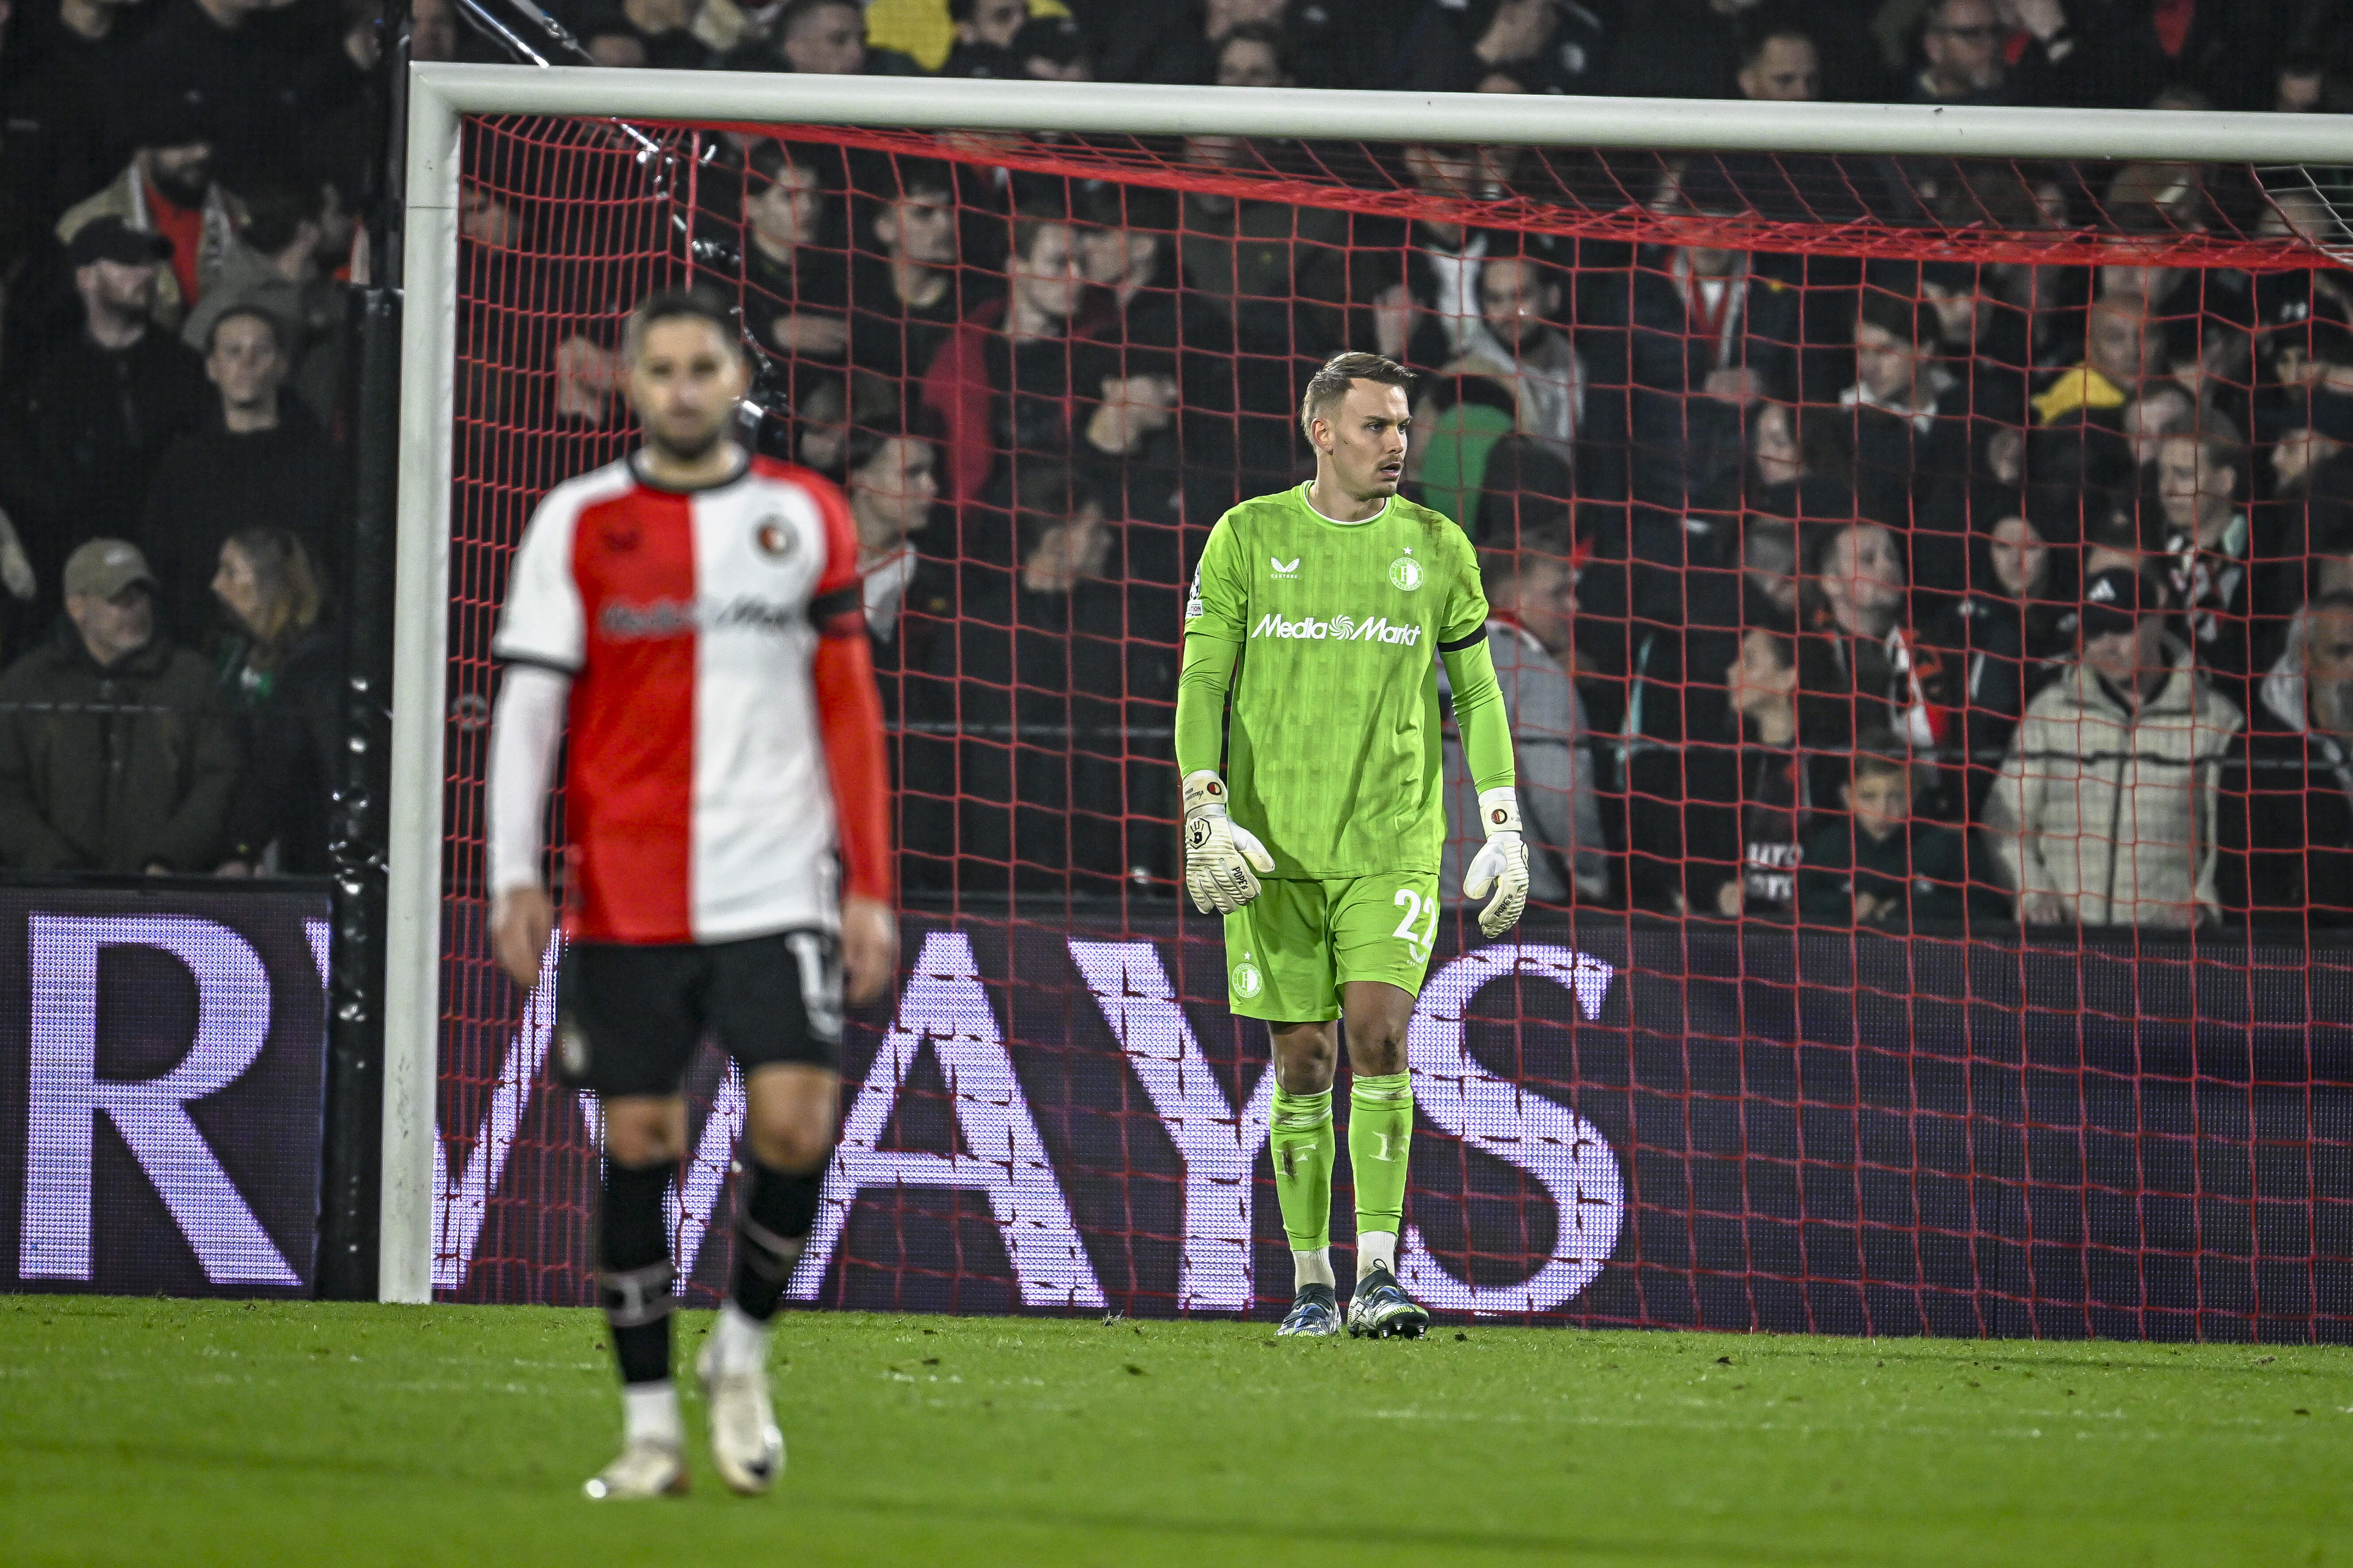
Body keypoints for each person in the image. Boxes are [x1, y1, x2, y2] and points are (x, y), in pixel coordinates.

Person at [484, 289, 895, 1499]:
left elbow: (849, 709)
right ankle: (650, 1429)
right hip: (628, 890)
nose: (679, 388)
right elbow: (529, 708)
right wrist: (513, 870)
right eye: (659, 368)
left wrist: (869, 884)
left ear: (735, 380)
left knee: (797, 1128)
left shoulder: (803, 514)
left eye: (700, 367)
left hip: (778, 878)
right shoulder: (578, 521)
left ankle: (741, 1353)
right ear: (631, 382)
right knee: (641, 1143)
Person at [1175, 350, 1526, 1340]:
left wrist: (1503, 824)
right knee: (1303, 1059)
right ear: (1321, 432)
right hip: (1273, 846)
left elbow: (1477, 692)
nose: (1397, 443)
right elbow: (1203, 681)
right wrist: (1203, 806)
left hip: (1392, 839)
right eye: (1376, 425)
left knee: (1377, 1033)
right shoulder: (1247, 536)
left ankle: (1378, 1272)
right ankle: (1311, 1284)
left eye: (1403, 425)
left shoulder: (1438, 545)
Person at [1984, 566, 2241, 928]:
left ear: (2156, 622)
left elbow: (2230, 842)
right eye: (2094, 632)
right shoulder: (2050, 712)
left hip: (2167, 944)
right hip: (2064, 941)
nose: (2107, 645)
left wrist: (2204, 904)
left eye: (2121, 628)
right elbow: (2005, 823)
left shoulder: (2215, 720)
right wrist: (2034, 893)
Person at [4, 216, 208, 618]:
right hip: (83, 582)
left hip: (177, 576)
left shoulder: (187, 369)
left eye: (150, 262)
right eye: (128, 263)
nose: (146, 274)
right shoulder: (49, 382)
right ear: (86, 278)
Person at [0, 538, 238, 873]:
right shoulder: (27, 684)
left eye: (141, 596)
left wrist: (169, 858)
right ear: (76, 607)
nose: (135, 610)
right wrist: (53, 866)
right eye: (118, 599)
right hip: (56, 893)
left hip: (164, 892)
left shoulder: (192, 680)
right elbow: (7, 790)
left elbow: (218, 780)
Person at [137, 306, 343, 641]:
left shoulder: (320, 460)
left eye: (260, 351)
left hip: (304, 644)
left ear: (282, 364)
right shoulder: (183, 466)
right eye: (233, 352)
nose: (247, 363)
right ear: (212, 367)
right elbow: (163, 563)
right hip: (204, 646)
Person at [1441, 521, 1609, 907]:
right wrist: (1589, 871)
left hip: (1407, 902)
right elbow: (1559, 791)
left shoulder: (1418, 662)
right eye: (1559, 593)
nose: (1574, 607)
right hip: (1512, 906)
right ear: (1511, 596)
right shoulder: (1535, 677)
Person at [2221, 592, 2353, 926]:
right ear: (2305, 657)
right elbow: (2242, 883)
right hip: (2299, 945)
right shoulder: (2261, 753)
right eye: (2341, 653)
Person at [211, 528, 337, 874]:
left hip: (308, 860)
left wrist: (242, 847)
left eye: (231, 572)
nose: (216, 586)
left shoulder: (315, 665)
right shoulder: (234, 658)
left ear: (273, 585)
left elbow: (280, 766)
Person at [1797, 738, 1973, 927]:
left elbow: (1983, 910)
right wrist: (1851, 906)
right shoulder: (1826, 850)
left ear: (1914, 793)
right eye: (1869, 797)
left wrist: (1904, 909)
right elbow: (1804, 906)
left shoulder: (1944, 846)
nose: (1883, 811)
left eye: (1897, 797)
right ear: (1848, 797)